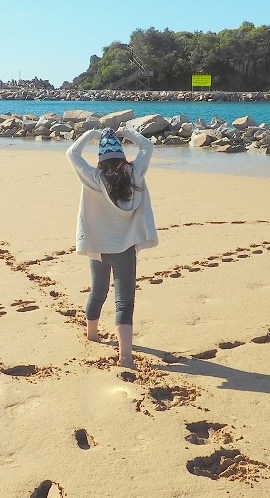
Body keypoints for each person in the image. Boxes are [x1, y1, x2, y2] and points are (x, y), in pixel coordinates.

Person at [67, 126, 158, 370]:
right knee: (124, 303)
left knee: (98, 293)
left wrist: (92, 135)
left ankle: (92, 336)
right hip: (125, 249)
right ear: (121, 155)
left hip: (99, 247)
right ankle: (125, 356)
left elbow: (72, 153)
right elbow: (147, 146)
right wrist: (127, 132)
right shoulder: (135, 173)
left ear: (101, 159)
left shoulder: (94, 178)